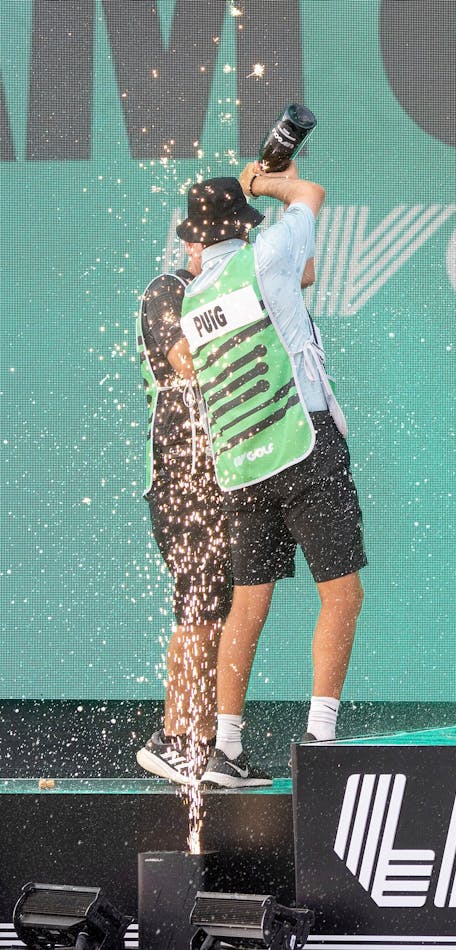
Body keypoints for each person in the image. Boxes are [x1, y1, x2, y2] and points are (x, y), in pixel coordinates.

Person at [170, 168, 366, 788]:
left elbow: (294, 281)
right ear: (245, 222)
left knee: (247, 607)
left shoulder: (196, 296)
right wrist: (267, 179)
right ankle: (321, 736)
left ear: (199, 240)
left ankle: (224, 748)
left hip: (243, 467)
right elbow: (312, 194)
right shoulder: (267, 255)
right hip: (302, 444)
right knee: (341, 594)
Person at [134, 250, 234, 785]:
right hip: (180, 478)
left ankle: (205, 741)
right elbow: (187, 360)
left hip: (221, 477)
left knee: (217, 611)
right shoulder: (167, 289)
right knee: (198, 609)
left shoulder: (224, 291)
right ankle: (176, 737)